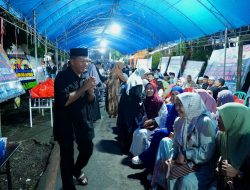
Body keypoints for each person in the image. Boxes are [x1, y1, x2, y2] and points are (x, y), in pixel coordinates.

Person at [54, 48, 96, 190]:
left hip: (82, 122)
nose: (86, 64)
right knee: (67, 158)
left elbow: (90, 101)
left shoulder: (84, 77)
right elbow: (64, 101)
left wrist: (90, 92)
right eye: (82, 60)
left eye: (87, 61)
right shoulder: (62, 77)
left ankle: (77, 170)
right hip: (66, 124)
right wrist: (84, 88)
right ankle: (68, 186)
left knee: (88, 149)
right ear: (72, 61)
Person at [216, 103, 250, 189]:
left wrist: (238, 173)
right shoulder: (222, 135)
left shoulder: (247, 140)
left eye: (222, 117)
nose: (218, 119)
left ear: (235, 119)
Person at [117, 67, 150, 153]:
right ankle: (127, 146)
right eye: (145, 74)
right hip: (130, 107)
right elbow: (137, 96)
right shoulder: (138, 81)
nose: (146, 76)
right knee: (130, 124)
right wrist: (144, 98)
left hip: (125, 105)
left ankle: (124, 143)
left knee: (125, 124)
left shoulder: (133, 77)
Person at [130, 82, 166, 156]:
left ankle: (142, 155)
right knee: (136, 132)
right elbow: (144, 113)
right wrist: (144, 118)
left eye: (151, 89)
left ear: (155, 90)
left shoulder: (159, 102)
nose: (148, 90)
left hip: (157, 126)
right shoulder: (146, 101)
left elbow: (164, 116)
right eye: (147, 89)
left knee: (141, 133)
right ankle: (135, 154)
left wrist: (152, 121)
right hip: (148, 125)